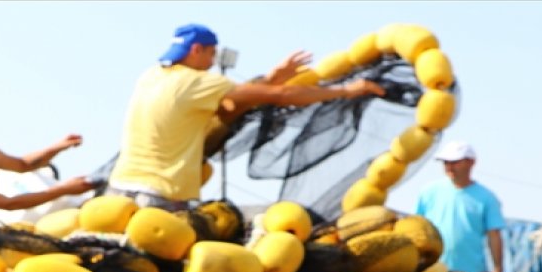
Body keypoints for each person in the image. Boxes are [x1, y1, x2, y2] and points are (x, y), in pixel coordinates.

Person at [106, 23, 386, 211]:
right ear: (196, 50)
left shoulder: (151, 76)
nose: (212, 62)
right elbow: (280, 97)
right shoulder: (197, 81)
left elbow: (231, 106)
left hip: (117, 191)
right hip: (160, 194)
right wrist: (347, 90)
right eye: (211, 55)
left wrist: (275, 75)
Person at [415, 141, 506, 272]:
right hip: (432, 271)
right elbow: (417, 227)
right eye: (446, 163)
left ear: (471, 162)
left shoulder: (487, 197)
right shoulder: (428, 192)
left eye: (455, 162)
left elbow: (494, 235)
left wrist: (498, 268)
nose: (449, 167)